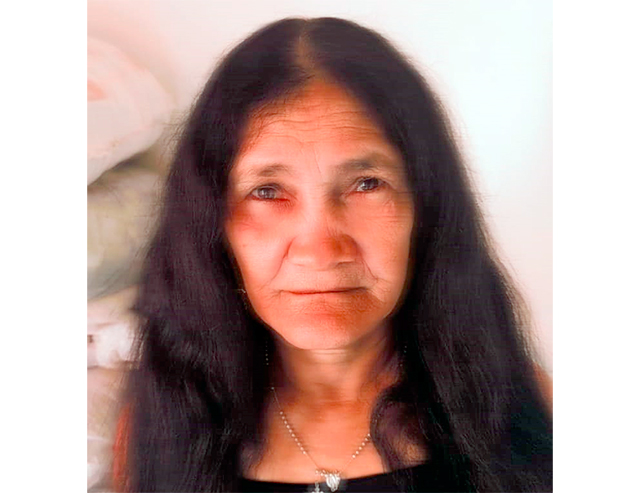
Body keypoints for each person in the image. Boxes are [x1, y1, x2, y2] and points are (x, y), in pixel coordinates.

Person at [114, 17, 552, 493]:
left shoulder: (538, 413)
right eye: (267, 191)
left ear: (426, 209)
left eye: (367, 184)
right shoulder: (156, 432)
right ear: (212, 225)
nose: (321, 251)